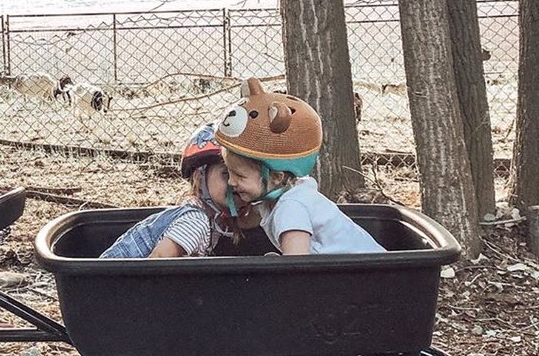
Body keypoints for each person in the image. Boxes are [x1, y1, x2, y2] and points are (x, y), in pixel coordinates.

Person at [214, 77, 384, 255]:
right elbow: (245, 221)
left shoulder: (291, 207)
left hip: (371, 278)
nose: (231, 182)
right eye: (229, 173)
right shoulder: (278, 197)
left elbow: (297, 267)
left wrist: (279, 266)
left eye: (239, 176)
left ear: (276, 177)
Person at [100, 124, 254, 258]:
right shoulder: (196, 221)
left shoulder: (210, 219)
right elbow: (159, 260)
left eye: (242, 175)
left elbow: (252, 221)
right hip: (115, 286)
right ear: (199, 178)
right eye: (226, 174)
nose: (235, 183)